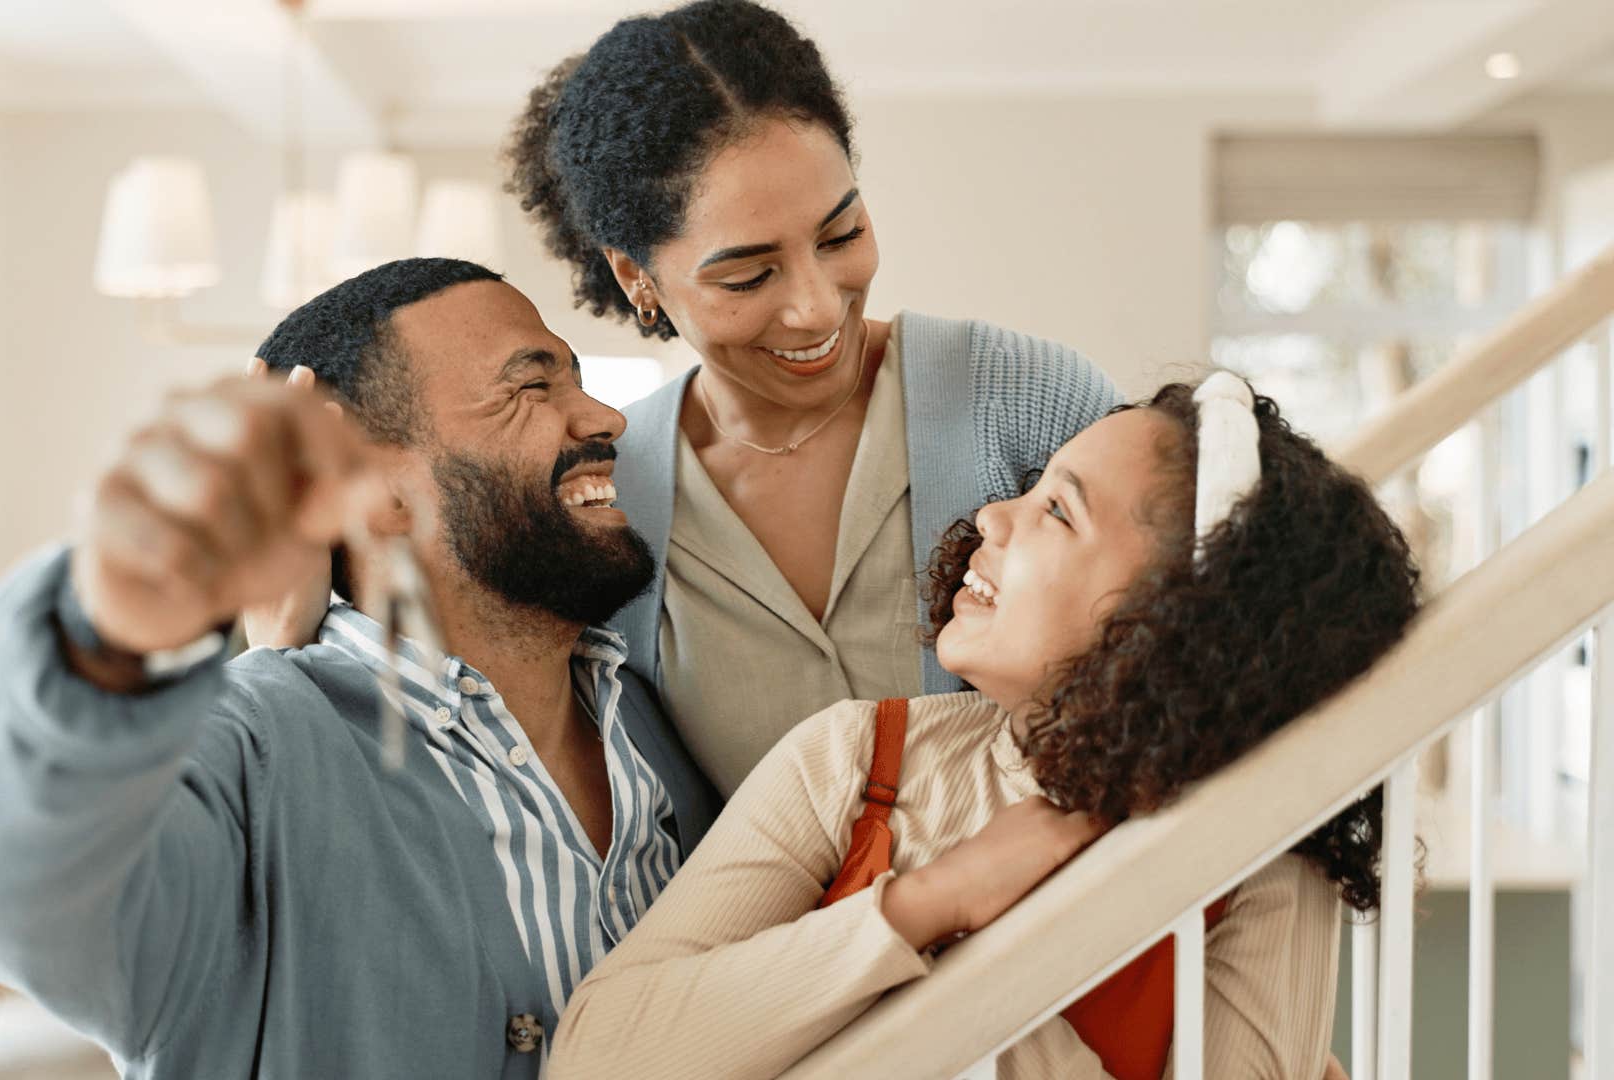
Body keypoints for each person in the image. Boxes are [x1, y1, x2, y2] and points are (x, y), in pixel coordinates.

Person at [0, 258, 723, 1079]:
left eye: (577, 380)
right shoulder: (253, 752)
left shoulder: (655, 717)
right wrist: (113, 619)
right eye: (531, 387)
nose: (605, 417)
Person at [546, 376, 1422, 1079]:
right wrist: (931, 899)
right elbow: (597, 1058)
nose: (995, 516)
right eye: (1033, 487)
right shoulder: (856, 756)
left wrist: (982, 955)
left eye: (1058, 511)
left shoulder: (1257, 864)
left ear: (1180, 621)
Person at [504, 0, 1124, 795]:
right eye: (748, 275)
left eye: (841, 236)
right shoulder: (613, 499)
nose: (819, 307)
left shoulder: (1029, 402)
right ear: (637, 279)